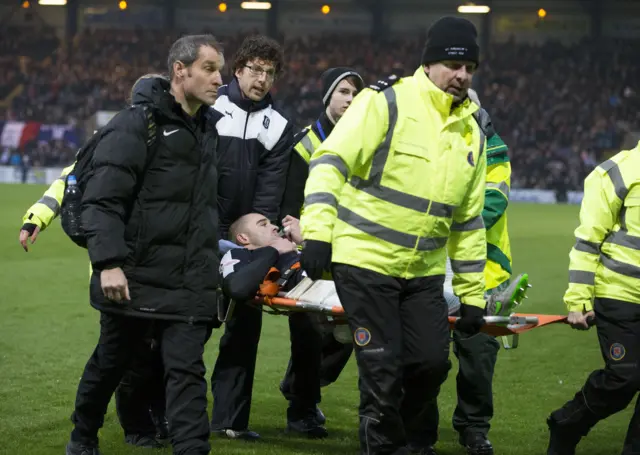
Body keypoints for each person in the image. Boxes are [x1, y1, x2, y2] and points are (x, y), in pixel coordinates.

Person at [299, 16, 490, 455]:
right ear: (428, 63)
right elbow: (330, 163)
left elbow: (467, 221)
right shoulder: (386, 103)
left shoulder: (473, 133)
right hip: (364, 260)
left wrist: (473, 295)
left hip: (422, 272)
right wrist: (318, 234)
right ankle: (385, 446)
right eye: (452, 64)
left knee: (429, 364)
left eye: (470, 69)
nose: (461, 75)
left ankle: (397, 438)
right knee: (382, 366)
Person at [65, 34, 224, 455]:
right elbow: (102, 203)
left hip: (189, 282)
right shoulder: (136, 124)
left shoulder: (210, 131)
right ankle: (83, 436)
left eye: (220, 70)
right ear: (179, 71)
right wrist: (109, 263)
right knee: (112, 364)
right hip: (135, 277)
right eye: (209, 68)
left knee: (188, 375)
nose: (219, 79)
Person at [20, 74, 171, 450]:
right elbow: (70, 181)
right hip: (116, 266)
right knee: (122, 355)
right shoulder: (116, 140)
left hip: (157, 265)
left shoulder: (171, 140)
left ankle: (151, 420)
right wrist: (36, 216)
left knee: (156, 352)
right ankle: (112, 428)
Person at [424, 88, 530, 455]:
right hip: (433, 269)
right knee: (426, 355)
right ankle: (421, 428)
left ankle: (472, 427)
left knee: (478, 359)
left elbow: (492, 204)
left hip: (481, 273)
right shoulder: (426, 141)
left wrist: (433, 222)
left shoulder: (494, 151)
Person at [209, 34, 294, 441]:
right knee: (187, 325)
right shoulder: (210, 105)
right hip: (202, 231)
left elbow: (269, 191)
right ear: (238, 69)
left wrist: (255, 239)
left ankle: (229, 421)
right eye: (255, 69)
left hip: (246, 235)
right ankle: (162, 416)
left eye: (269, 72)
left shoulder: (277, 125)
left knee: (244, 327)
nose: (262, 78)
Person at [278, 67, 365, 420]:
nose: (350, 99)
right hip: (308, 248)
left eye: (356, 94)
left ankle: (300, 385)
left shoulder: (366, 143)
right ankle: (302, 409)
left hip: (348, 249)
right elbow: (288, 208)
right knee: (308, 329)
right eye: (343, 92)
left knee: (348, 329)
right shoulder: (305, 145)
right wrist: (303, 232)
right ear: (327, 97)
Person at [546, 143, 640, 455]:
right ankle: (566, 424)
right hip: (620, 294)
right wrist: (578, 300)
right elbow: (587, 242)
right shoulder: (617, 171)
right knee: (623, 379)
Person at [218, 213, 329, 438]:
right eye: (263, 224)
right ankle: (230, 423)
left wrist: (306, 242)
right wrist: (274, 251)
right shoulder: (238, 255)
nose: (274, 227)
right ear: (243, 237)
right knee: (241, 336)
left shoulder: (295, 251)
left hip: (328, 302)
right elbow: (239, 288)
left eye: (271, 222)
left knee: (317, 335)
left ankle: (303, 413)